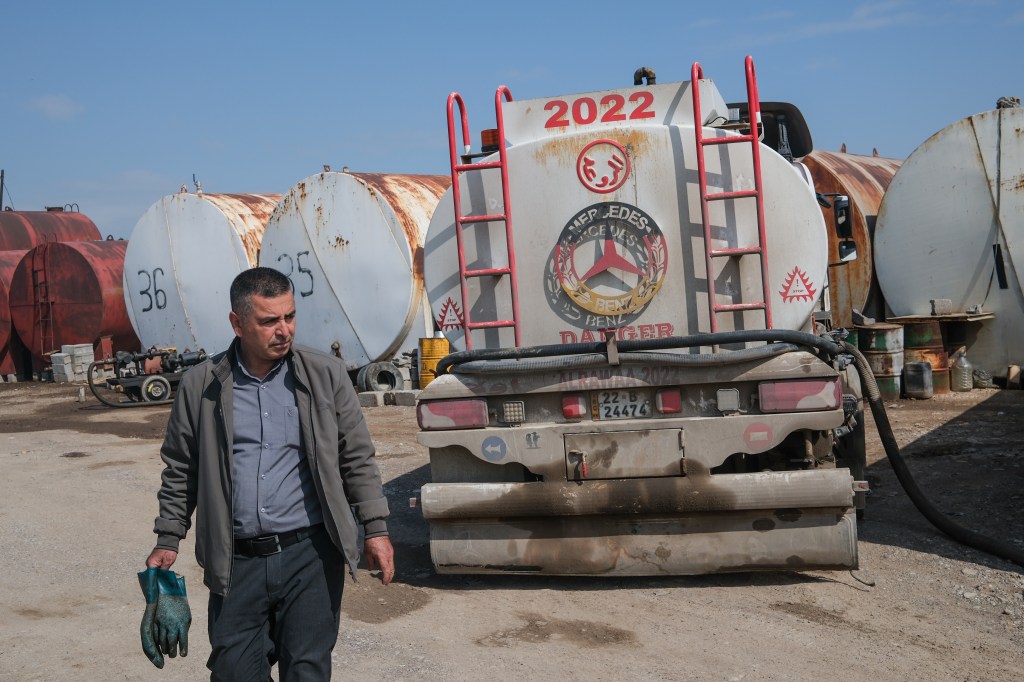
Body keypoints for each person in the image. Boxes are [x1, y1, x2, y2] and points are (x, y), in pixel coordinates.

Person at [145, 266, 394, 680]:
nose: (284, 330)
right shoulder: (199, 386)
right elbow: (180, 469)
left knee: (307, 669)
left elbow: (357, 457)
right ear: (237, 323)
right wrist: (168, 538)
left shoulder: (324, 375)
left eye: (290, 316)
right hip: (236, 560)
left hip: (310, 556)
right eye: (269, 321)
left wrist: (377, 528)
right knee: (233, 670)